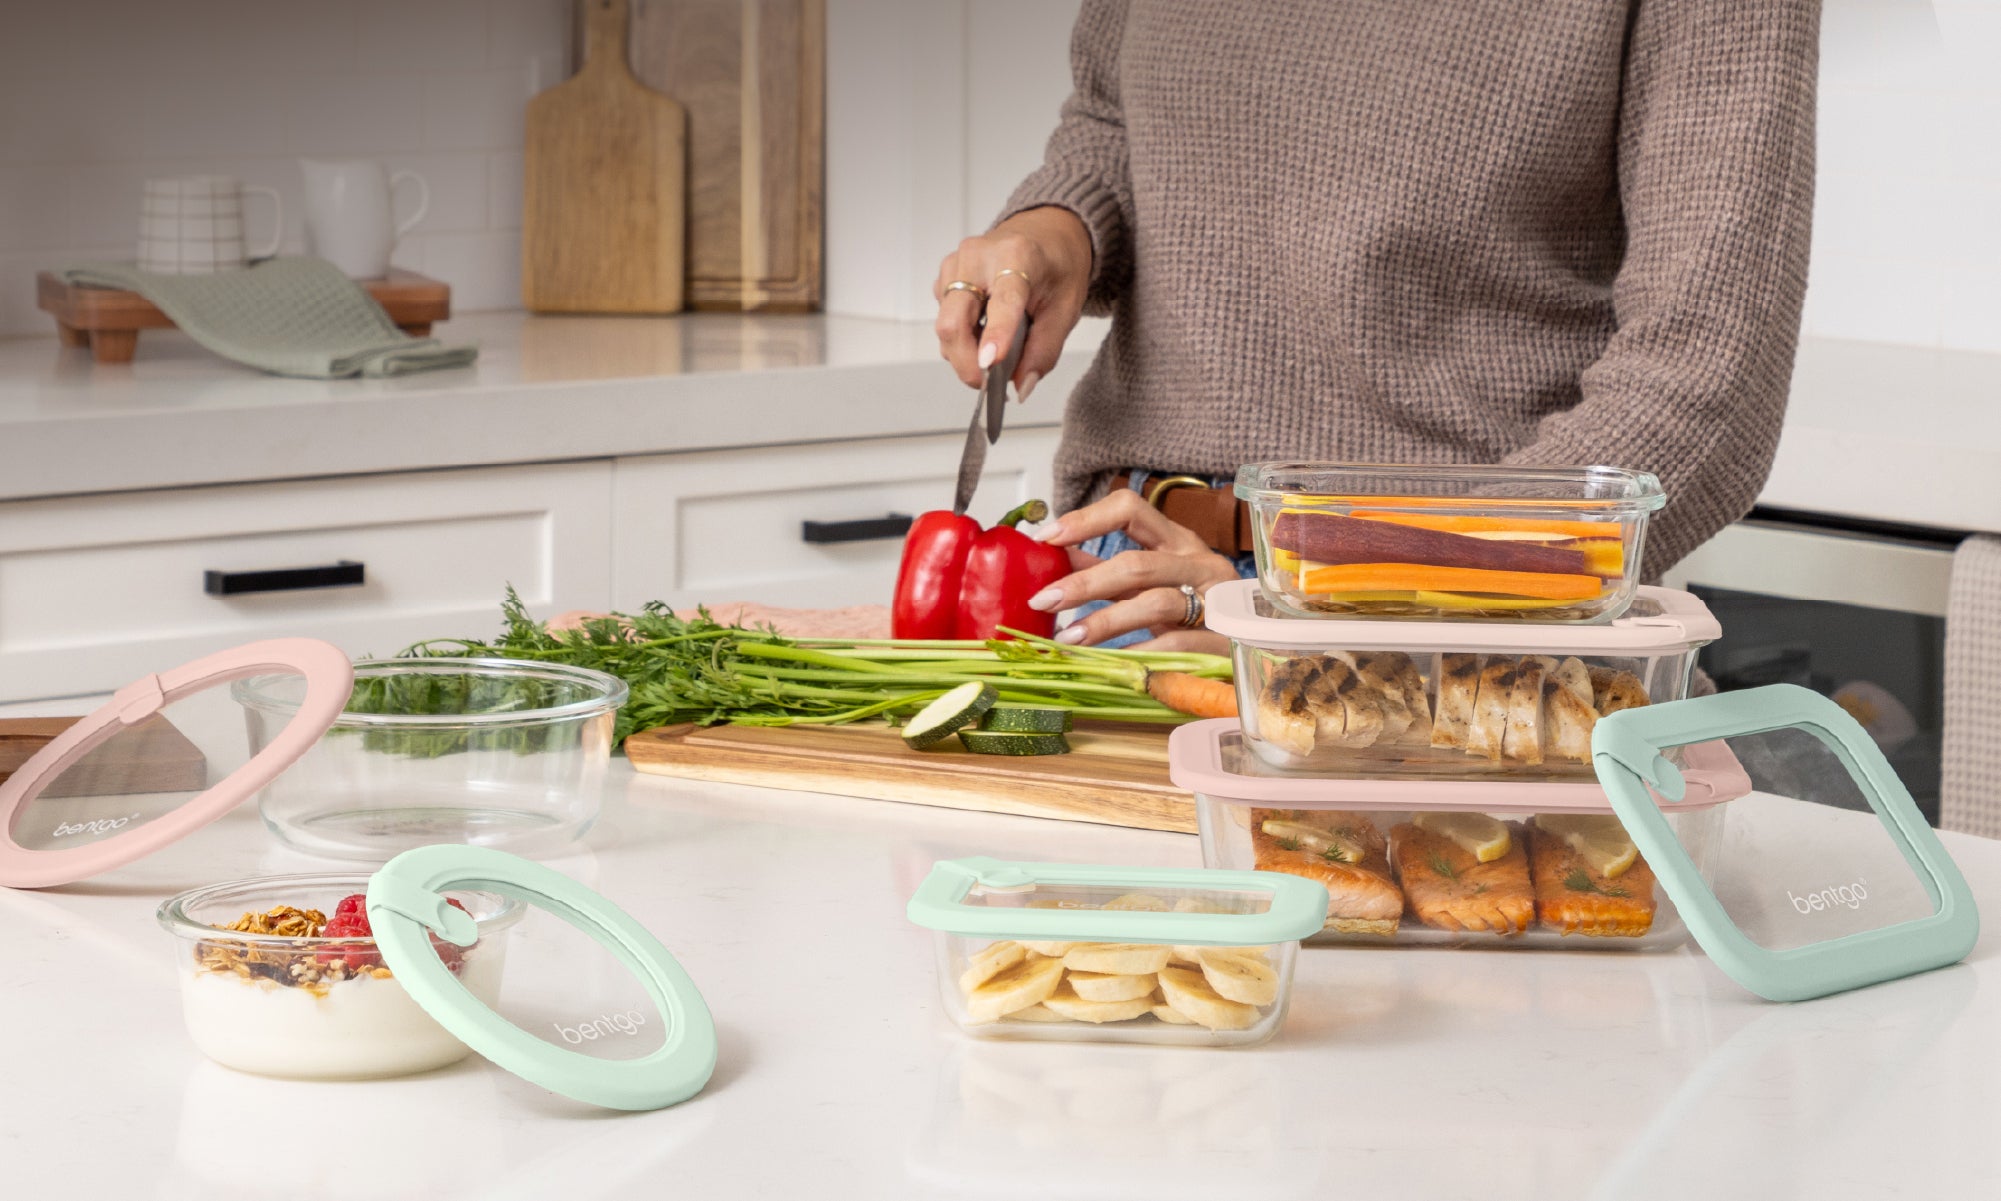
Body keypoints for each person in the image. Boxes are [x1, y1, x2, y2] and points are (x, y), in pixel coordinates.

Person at [932, 0, 1819, 654]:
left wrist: (1337, 607)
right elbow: (1114, 120)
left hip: (1457, 641)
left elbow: (1705, 378)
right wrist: (1056, 231)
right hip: (1123, 589)